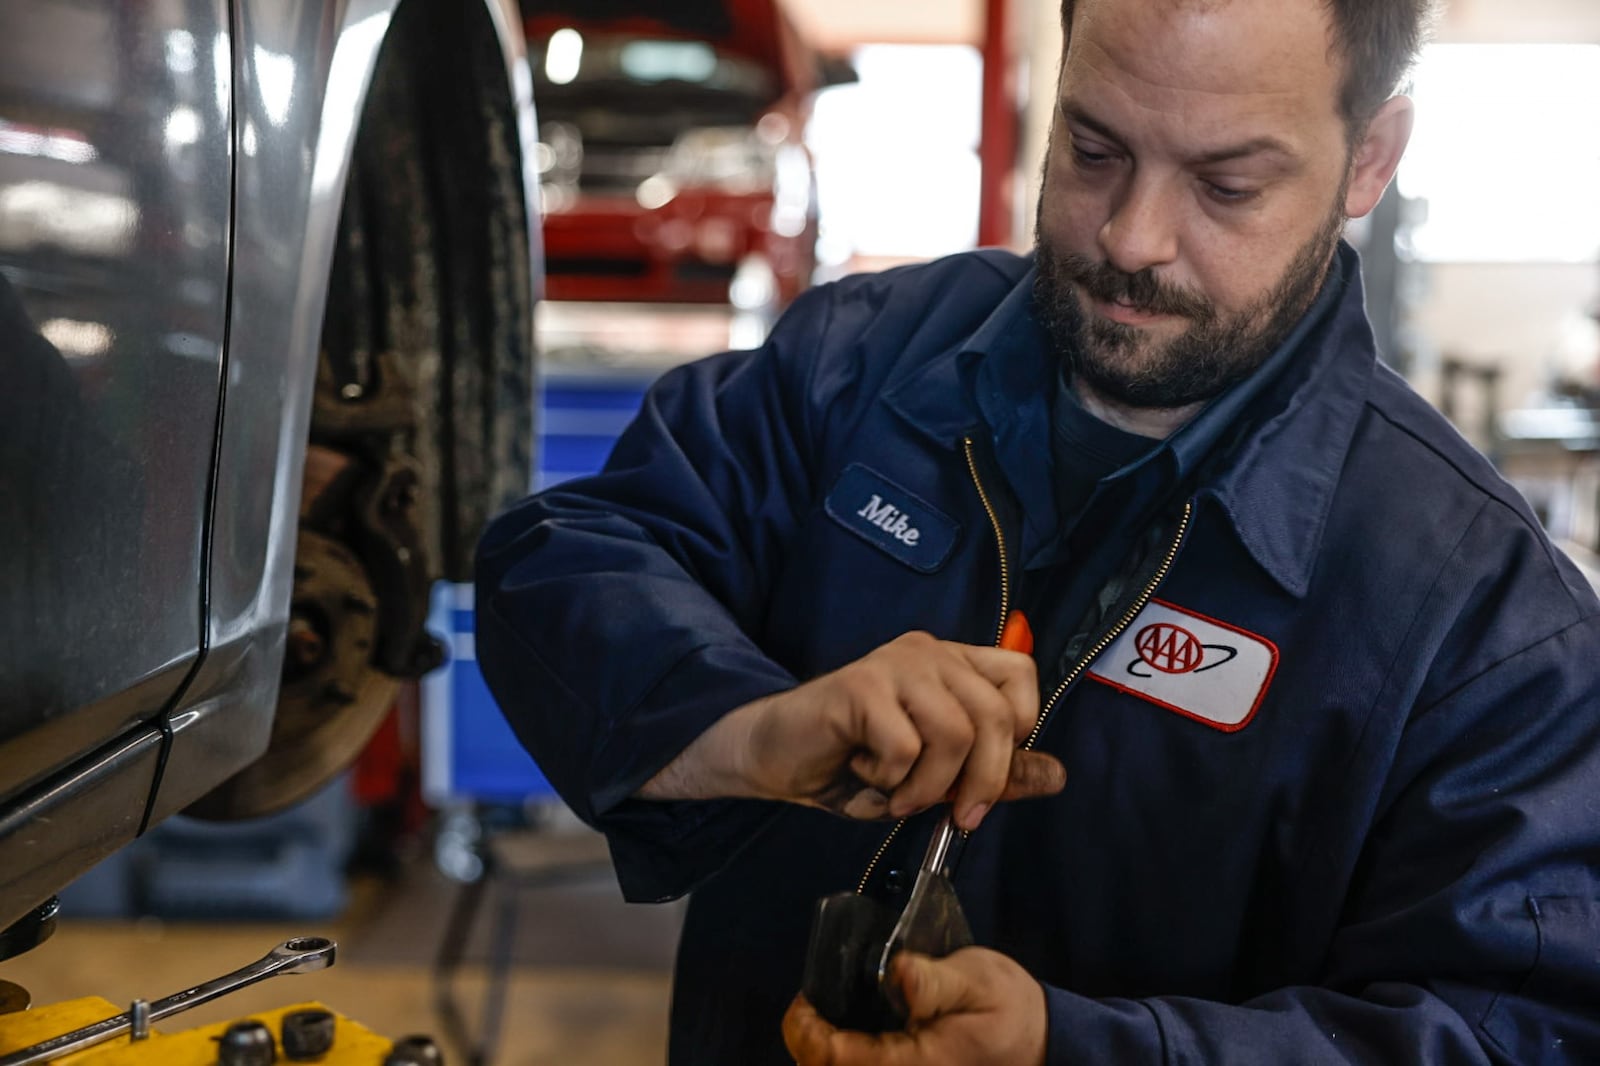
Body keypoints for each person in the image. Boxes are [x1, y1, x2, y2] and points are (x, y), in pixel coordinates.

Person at [476, 0, 1600, 1061]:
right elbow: (562, 556)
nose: (1130, 237)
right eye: (1094, 149)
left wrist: (1078, 1048)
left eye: (1225, 184)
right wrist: (752, 724)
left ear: (1369, 157)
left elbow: (1507, 1028)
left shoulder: (1482, 619)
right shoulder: (856, 364)